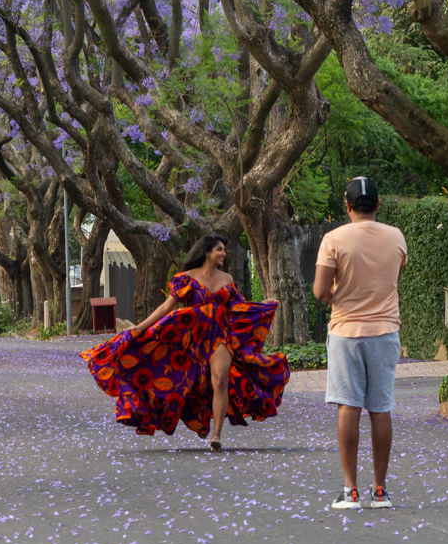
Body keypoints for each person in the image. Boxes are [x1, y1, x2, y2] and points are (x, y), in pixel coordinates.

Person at [82, 234, 290, 451]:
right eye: (220, 249)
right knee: (192, 383)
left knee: (220, 380)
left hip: (221, 336)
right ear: (207, 252)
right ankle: (199, 418)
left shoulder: (227, 279)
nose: (224, 254)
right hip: (190, 337)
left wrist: (263, 304)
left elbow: (239, 308)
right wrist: (140, 326)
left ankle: (216, 435)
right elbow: (166, 307)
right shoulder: (186, 278)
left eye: (224, 250)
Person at [313, 178, 406, 510]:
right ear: (378, 205)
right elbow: (393, 274)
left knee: (348, 406)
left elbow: (321, 291)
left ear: (347, 205)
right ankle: (379, 491)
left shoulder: (333, 239)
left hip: (346, 332)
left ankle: (350, 490)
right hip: (385, 332)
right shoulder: (396, 237)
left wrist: (341, 295)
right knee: (380, 408)